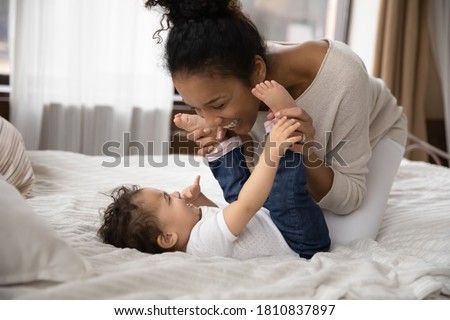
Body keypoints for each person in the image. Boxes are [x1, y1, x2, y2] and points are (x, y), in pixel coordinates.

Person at [145, 0, 408, 245]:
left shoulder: (343, 75)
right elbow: (256, 191)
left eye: (218, 105)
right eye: (197, 108)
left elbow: (349, 198)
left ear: (257, 70)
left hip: (376, 129)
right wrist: (228, 145)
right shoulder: (231, 73)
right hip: (313, 149)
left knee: (347, 239)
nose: (209, 120)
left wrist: (303, 150)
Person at [98, 98, 330, 259]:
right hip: (300, 240)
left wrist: (202, 200)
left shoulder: (196, 235)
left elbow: (222, 216)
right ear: (168, 238)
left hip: (272, 222)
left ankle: (218, 143)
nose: (176, 193)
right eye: (168, 199)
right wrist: (271, 150)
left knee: (235, 193)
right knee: (273, 196)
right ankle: (284, 132)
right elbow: (247, 206)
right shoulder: (203, 243)